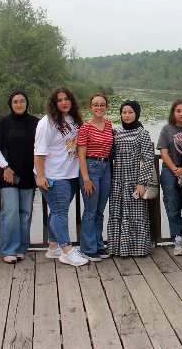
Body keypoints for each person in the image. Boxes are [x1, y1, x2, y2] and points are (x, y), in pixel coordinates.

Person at [35, 86, 87, 266]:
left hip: (71, 174)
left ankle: (53, 246)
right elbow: (39, 152)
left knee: (57, 211)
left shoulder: (73, 119)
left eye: (67, 99)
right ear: (53, 103)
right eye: (59, 100)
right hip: (54, 176)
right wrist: (40, 176)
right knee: (59, 212)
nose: (64, 102)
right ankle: (67, 250)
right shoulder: (47, 123)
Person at [0, 90, 39, 264]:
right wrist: (6, 167)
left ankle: (21, 248)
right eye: (15, 101)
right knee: (10, 211)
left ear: (27, 103)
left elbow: (41, 147)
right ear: (10, 103)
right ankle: (8, 249)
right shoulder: (3, 123)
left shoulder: (35, 122)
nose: (19, 104)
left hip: (28, 174)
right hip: (8, 175)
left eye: (22, 101)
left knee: (25, 213)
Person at [108, 100, 154, 257]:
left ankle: (137, 249)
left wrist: (141, 183)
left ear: (137, 114)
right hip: (117, 181)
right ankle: (117, 248)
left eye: (130, 112)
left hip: (134, 181)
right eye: (124, 112)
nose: (126, 115)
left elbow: (148, 160)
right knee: (117, 213)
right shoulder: (116, 132)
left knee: (136, 214)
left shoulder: (143, 134)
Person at [158, 98, 182, 256]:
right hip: (170, 172)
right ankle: (177, 239)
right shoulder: (166, 129)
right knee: (173, 207)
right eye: (178, 111)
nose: (181, 114)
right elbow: (163, 152)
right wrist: (175, 169)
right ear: (173, 112)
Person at [77, 93, 114, 262]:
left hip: (106, 167)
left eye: (102, 105)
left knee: (99, 210)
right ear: (90, 107)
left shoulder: (108, 124)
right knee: (90, 210)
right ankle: (88, 248)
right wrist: (86, 179)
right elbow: (81, 154)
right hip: (91, 168)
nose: (99, 108)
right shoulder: (85, 128)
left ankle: (99, 245)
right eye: (95, 105)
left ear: (106, 107)